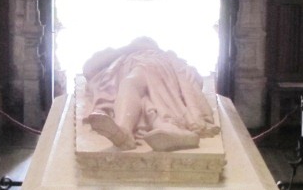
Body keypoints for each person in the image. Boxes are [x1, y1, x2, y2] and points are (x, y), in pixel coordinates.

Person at [82, 37, 219, 152]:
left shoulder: (163, 57)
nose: (143, 43)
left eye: (146, 42)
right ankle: (172, 132)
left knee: (131, 84)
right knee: (147, 105)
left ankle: (125, 130)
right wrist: (127, 48)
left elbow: (194, 79)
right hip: (138, 87)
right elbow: (89, 68)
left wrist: (190, 73)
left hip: (155, 73)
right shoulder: (121, 58)